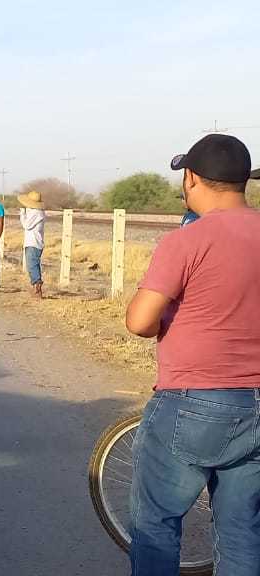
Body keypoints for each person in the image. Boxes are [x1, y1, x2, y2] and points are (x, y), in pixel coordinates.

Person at [124, 133, 260, 575]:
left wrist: (166, 323)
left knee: (156, 524)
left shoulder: (186, 241)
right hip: (257, 403)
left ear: (191, 179)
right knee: (242, 533)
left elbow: (139, 321)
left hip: (196, 400)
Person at [17, 190, 46, 298]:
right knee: (34, 265)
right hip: (33, 242)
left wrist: (22, 214)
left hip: (33, 242)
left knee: (32, 265)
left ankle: (37, 284)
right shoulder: (36, 212)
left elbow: (26, 225)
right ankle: (36, 287)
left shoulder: (36, 213)